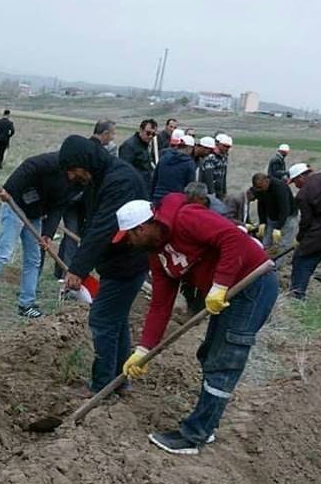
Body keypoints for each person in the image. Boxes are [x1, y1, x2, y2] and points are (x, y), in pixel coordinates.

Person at [116, 194, 276, 455]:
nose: (129, 244)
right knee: (209, 354)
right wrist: (143, 351)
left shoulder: (186, 218)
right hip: (228, 293)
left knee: (224, 361)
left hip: (252, 286)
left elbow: (232, 237)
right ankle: (207, 423)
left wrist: (220, 284)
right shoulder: (158, 256)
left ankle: (195, 434)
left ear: (141, 228)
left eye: (129, 237)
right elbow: (160, 305)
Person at [58, 135, 149, 393]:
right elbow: (93, 222)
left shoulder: (120, 180)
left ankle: (102, 387)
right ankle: (119, 382)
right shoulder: (101, 177)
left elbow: (102, 227)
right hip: (119, 263)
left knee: (102, 321)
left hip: (128, 263)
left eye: (73, 170)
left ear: (84, 161)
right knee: (115, 321)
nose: (72, 177)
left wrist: (78, 268)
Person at [0, 152, 78, 320]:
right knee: (3, 254)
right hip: (15, 206)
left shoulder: (74, 183)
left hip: (35, 215)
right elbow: (28, 166)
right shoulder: (50, 163)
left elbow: (58, 208)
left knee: (34, 259)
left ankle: (26, 304)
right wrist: (9, 190)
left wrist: (48, 234)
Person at [287, 163, 321, 317]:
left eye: (295, 182)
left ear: (301, 177)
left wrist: (300, 239)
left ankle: (296, 300)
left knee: (302, 259)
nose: (296, 186)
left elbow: (306, 222)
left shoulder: (304, 193)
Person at [251, 172, 299, 250]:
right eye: (257, 188)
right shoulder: (260, 189)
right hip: (272, 217)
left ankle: (279, 261)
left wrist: (278, 227)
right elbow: (261, 204)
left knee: (283, 244)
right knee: (265, 242)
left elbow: (285, 209)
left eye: (261, 187)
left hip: (288, 217)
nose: (260, 190)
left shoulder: (280, 187)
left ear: (266, 181)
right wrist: (262, 222)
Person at [150, 132, 196, 205]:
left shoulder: (164, 158)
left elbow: (154, 179)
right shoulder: (189, 163)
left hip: (158, 198)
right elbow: (190, 186)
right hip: (176, 201)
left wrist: (151, 197)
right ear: (189, 148)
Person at [118, 118, 157, 195]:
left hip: (145, 187)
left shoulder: (145, 145)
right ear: (141, 130)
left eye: (153, 134)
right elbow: (125, 170)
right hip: (134, 189)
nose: (150, 136)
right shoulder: (129, 146)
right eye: (148, 133)